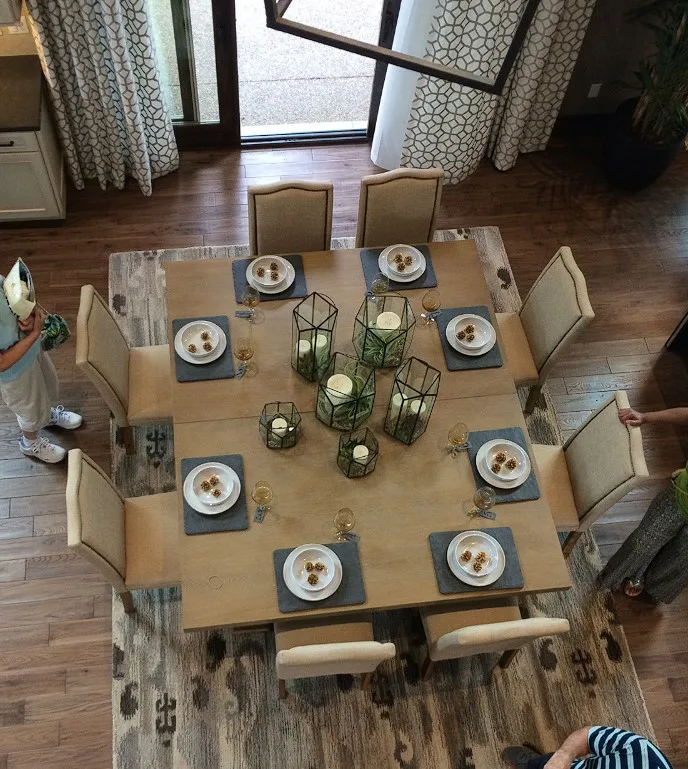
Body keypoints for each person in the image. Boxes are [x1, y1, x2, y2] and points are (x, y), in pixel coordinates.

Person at [598, 406, 688, 602]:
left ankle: (648, 581)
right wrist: (646, 417)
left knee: (679, 560)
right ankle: (629, 574)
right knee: (641, 543)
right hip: (680, 495)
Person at [0, 273, 82, 463]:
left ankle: (46, 415)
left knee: (47, 385)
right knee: (29, 409)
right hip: (15, 373)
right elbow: (2, 363)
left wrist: (29, 315)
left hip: (31, 349)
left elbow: (12, 293)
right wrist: (34, 333)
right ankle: (30, 443)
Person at [502, 726, 672, 769]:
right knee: (546, 762)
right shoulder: (641, 752)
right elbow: (588, 736)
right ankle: (534, 763)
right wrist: (563, 757)